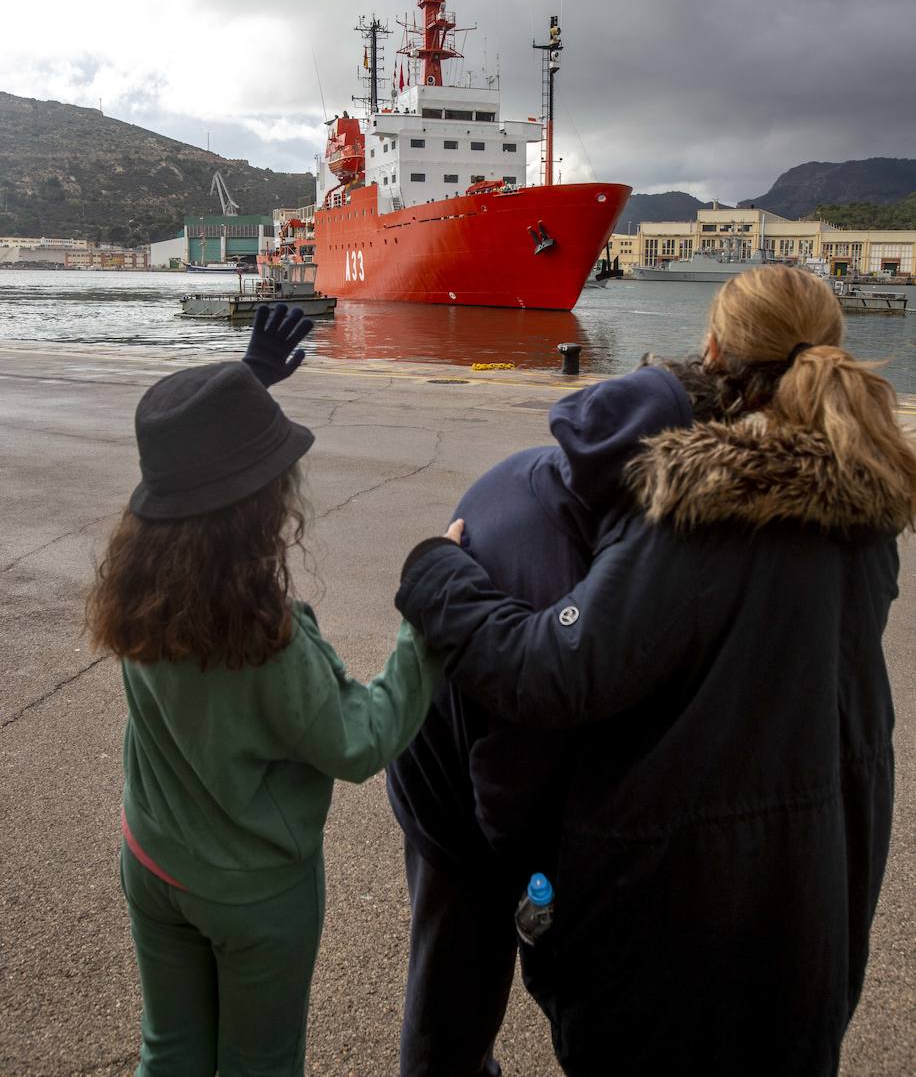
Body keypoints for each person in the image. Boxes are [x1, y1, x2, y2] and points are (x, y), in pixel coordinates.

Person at [394, 264, 915, 1077]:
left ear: (713, 351)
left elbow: (557, 669)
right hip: (817, 875)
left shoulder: (704, 506)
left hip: (684, 903)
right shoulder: (864, 510)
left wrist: (435, 574)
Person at [85, 305, 442, 1077]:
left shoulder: (137, 590)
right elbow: (358, 740)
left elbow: (180, 478)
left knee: (169, 1052)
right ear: (256, 510)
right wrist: (428, 623)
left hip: (151, 856)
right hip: (251, 893)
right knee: (261, 1063)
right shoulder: (258, 636)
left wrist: (244, 387)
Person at [387, 361, 693, 1076]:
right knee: (454, 998)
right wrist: (546, 921)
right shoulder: (556, 577)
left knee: (452, 984)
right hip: (454, 802)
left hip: (462, 745)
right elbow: (512, 798)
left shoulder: (554, 475)